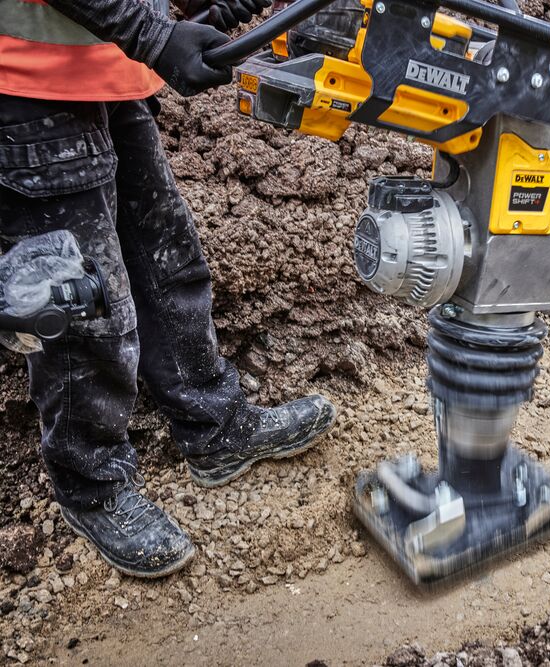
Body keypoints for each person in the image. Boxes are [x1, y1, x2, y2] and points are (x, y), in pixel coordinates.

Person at [0, 0, 336, 578]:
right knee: (82, 308)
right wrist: (153, 33)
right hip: (30, 82)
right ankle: (92, 485)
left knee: (165, 256)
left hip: (105, 66)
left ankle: (212, 424)